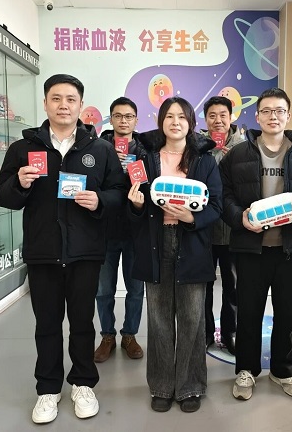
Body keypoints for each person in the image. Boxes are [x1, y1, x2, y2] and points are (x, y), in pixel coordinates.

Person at [0, 74, 126, 424]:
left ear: (81, 105)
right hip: (43, 252)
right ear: (45, 103)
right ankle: (48, 389)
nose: (63, 105)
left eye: (70, 99)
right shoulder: (23, 149)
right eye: (56, 98)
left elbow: (119, 192)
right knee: (47, 324)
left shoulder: (100, 149)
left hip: (85, 252)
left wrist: (99, 200)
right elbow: (2, 195)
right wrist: (19, 183)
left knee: (82, 323)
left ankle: (83, 383)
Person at [220, 87, 292, 401]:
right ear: (257, 116)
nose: (273, 116)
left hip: (291, 248)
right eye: (266, 111)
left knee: (288, 313)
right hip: (250, 247)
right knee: (249, 313)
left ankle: (282, 371)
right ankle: (246, 370)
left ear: (289, 116)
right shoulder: (238, 153)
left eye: (279, 111)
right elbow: (223, 195)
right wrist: (240, 218)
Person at [127, 97, 222, 413]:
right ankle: (162, 386)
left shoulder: (205, 161)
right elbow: (135, 207)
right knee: (159, 319)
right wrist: (136, 205)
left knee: (193, 318)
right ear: (161, 121)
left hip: (191, 243)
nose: (176, 121)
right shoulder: (145, 160)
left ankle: (190, 386)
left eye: (182, 116)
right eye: (169, 116)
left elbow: (216, 206)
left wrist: (192, 218)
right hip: (156, 243)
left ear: (191, 123)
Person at [94, 97, 145, 363]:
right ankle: (107, 336)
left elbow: (151, 186)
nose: (123, 121)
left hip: (136, 230)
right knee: (104, 289)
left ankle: (130, 335)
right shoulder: (98, 148)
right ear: (111, 119)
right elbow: (92, 183)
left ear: (136, 120)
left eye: (128, 116)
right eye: (118, 116)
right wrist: (113, 165)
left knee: (136, 289)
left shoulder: (146, 149)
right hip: (105, 229)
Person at [199, 96, 246, 355]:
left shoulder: (244, 146)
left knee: (233, 286)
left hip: (232, 229)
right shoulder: (197, 145)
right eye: (212, 116)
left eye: (223, 115)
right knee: (203, 285)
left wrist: (233, 165)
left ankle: (230, 333)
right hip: (204, 228)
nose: (218, 121)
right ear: (205, 119)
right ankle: (205, 332)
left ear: (231, 117)